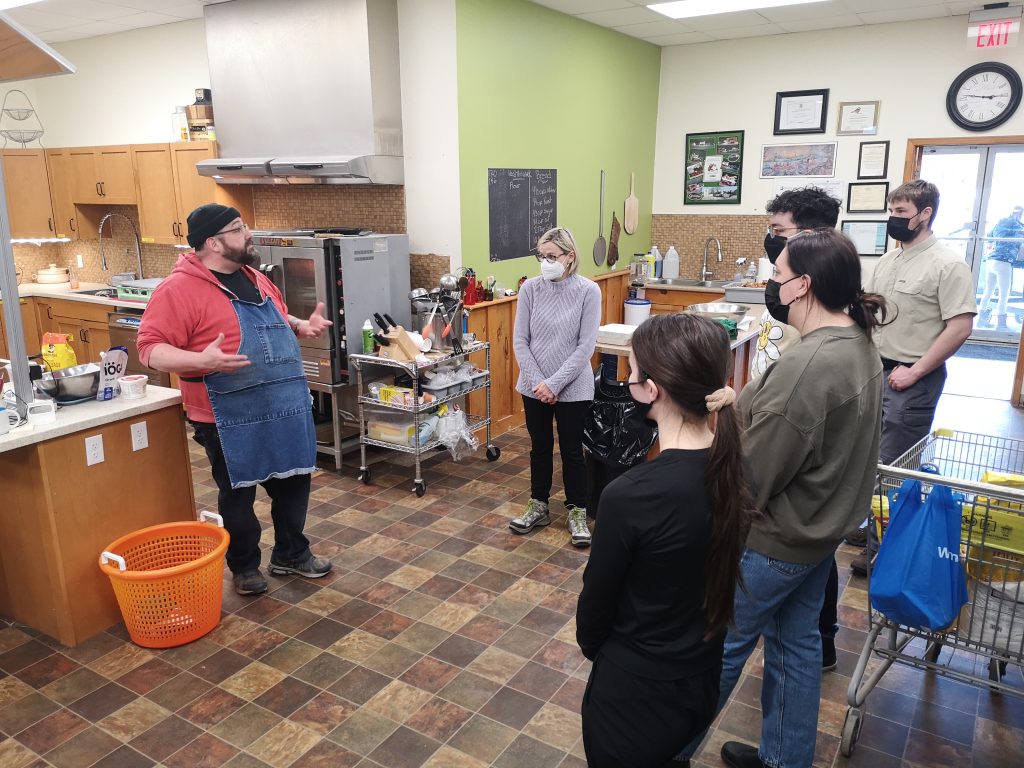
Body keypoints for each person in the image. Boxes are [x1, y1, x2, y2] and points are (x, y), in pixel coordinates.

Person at [680, 228, 887, 768]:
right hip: (818, 534)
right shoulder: (855, 343)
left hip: (774, 542)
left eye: (776, 277)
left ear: (803, 286)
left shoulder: (808, 368)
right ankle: (783, 759)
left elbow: (751, 479)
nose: (769, 286)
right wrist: (744, 402)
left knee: (717, 651)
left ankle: (668, 752)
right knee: (796, 652)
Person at [576, 313, 754, 768]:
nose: (629, 384)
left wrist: (609, 659)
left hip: (634, 696)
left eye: (633, 374)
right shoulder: (737, 471)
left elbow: (593, 615)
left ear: (652, 391)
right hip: (699, 680)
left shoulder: (630, 496)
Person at [138, 204, 334, 596]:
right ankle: (244, 567)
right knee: (239, 495)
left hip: (284, 405)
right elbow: (148, 349)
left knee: (294, 485)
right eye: (238, 228)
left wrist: (299, 325)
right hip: (227, 414)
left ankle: (292, 554)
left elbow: (277, 319)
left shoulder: (256, 279)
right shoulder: (178, 290)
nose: (249, 234)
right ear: (213, 242)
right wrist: (201, 360)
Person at [852, 180, 976, 575]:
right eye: (891, 212)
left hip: (914, 377)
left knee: (895, 465)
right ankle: (868, 524)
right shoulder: (889, 260)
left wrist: (916, 370)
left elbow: (959, 327)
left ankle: (883, 547)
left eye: (902, 213)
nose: (894, 219)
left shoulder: (947, 264)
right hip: (877, 369)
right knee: (868, 456)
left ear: (925, 214)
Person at [753, 186, 845, 672]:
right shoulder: (801, 298)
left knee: (729, 639)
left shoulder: (828, 329)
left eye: (778, 234)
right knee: (796, 636)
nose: (772, 245)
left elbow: (771, 457)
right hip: (806, 507)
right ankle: (812, 640)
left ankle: (822, 636)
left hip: (793, 512)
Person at [508, 227, 601, 547]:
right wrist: (539, 383)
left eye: (552, 256)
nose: (545, 262)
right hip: (534, 386)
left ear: (569, 257)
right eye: (541, 256)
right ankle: (539, 505)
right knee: (539, 447)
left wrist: (556, 383)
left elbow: (585, 347)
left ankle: (577, 510)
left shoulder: (589, 291)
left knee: (573, 451)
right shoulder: (530, 290)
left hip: (574, 387)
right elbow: (520, 340)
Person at [752, 186, 841, 380]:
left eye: (779, 230)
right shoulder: (785, 281)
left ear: (806, 236)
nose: (771, 238)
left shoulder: (819, 297)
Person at [979, 205, 1024, 329]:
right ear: (1020, 213)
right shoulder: (1017, 225)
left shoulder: (1000, 222)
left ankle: (981, 321)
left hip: (991, 261)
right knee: (1004, 294)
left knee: (988, 291)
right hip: (1004, 261)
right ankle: (1001, 324)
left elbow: (989, 235)